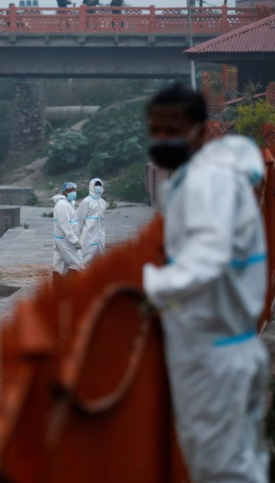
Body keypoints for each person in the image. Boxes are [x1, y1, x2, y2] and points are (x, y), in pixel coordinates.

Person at [142, 84, 269, 483]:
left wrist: (151, 285)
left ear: (199, 130)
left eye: (173, 129)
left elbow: (207, 260)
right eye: (156, 130)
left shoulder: (213, 185)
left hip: (220, 352)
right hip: (210, 347)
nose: (163, 139)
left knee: (223, 464)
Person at [52, 182, 85, 290]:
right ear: (64, 192)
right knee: (78, 264)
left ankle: (58, 291)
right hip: (65, 240)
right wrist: (74, 240)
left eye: (74, 190)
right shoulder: (62, 205)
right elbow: (65, 225)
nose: (73, 192)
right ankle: (68, 289)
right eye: (70, 190)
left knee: (59, 266)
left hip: (62, 239)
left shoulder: (68, 203)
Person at [76, 178, 106, 264]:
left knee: (99, 257)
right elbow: (80, 218)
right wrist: (78, 233)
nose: (98, 187)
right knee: (86, 256)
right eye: (96, 185)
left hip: (99, 234)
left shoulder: (102, 202)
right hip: (88, 234)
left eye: (100, 185)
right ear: (92, 186)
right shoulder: (86, 201)